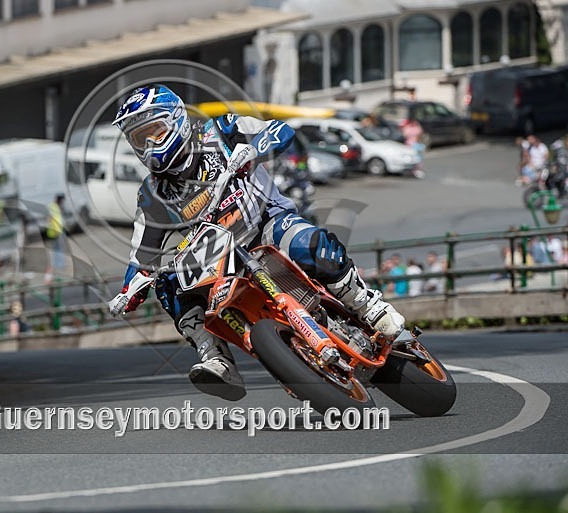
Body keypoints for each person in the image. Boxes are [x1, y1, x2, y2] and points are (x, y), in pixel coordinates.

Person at [108, 84, 405, 401]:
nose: (149, 145)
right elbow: (143, 252)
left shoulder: (220, 130)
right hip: (217, 254)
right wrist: (129, 289)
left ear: (176, 119)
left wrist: (255, 150)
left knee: (306, 243)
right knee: (168, 284)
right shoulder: (151, 193)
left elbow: (280, 130)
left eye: (154, 132)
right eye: (139, 139)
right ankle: (215, 357)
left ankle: (368, 305)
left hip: (265, 222)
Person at [45, 193, 67, 282]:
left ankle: (57, 264)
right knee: (59, 248)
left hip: (55, 230)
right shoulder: (55, 207)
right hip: (56, 231)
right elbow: (51, 219)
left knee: (56, 248)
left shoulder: (53, 206)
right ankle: (59, 264)